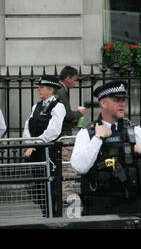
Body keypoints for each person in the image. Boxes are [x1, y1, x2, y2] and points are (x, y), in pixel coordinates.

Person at [70, 80, 141, 216]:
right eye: (116, 100)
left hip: (132, 207)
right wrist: (98, 139)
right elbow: (80, 166)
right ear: (103, 103)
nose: (122, 104)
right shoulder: (87, 133)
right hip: (100, 210)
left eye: (123, 100)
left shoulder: (135, 131)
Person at [23, 75, 66, 217]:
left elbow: (53, 131)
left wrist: (35, 142)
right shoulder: (36, 106)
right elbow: (28, 126)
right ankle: (45, 215)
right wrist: (28, 141)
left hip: (50, 153)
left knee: (51, 187)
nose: (38, 89)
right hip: (35, 153)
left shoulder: (58, 106)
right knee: (39, 187)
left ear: (50, 89)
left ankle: (53, 217)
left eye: (41, 87)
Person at [56, 66, 86, 202]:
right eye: (74, 80)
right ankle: (65, 196)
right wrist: (79, 113)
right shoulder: (62, 91)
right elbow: (66, 114)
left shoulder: (59, 89)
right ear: (67, 79)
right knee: (68, 167)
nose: (75, 83)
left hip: (61, 132)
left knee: (62, 167)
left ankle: (61, 195)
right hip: (63, 136)